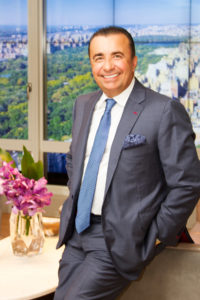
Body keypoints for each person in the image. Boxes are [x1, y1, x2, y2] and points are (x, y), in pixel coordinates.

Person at [54, 26, 200, 300]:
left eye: (117, 56)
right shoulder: (83, 104)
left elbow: (188, 183)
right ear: (91, 64)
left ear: (134, 61)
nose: (107, 66)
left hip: (121, 239)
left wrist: (155, 235)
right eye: (99, 58)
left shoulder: (163, 111)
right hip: (78, 234)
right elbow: (76, 157)